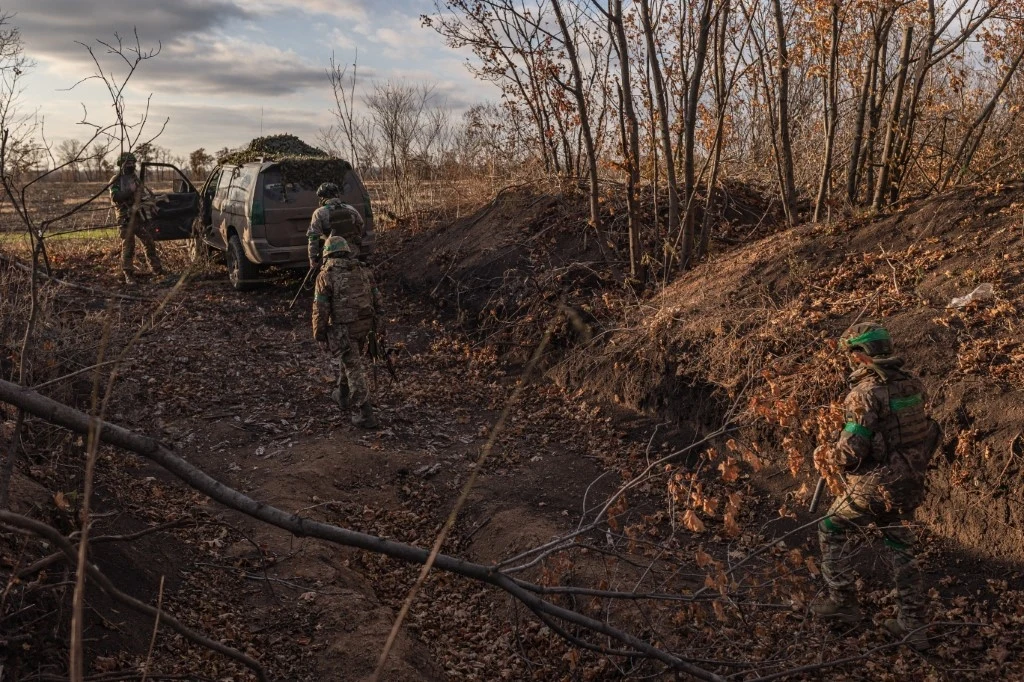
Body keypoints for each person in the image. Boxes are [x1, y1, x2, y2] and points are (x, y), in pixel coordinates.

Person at [811, 322, 942, 651]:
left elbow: (852, 451)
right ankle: (912, 626)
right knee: (901, 547)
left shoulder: (864, 394)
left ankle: (842, 601)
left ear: (861, 356)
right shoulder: (911, 384)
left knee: (831, 525)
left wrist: (827, 452)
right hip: (910, 481)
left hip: (875, 485)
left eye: (853, 354)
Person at [311, 235, 384, 429]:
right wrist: (379, 324)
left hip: (344, 328)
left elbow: (320, 308)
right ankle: (342, 395)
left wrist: (319, 333)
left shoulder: (326, 274)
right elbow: (377, 298)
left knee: (353, 367)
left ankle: (365, 413)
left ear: (327, 253)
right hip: (365, 325)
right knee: (350, 359)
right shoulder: (363, 270)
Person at [109, 151, 163, 284]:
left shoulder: (135, 178)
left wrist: (152, 205)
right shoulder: (116, 180)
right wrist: (129, 191)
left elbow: (144, 195)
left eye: (133, 162)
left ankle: (157, 270)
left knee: (149, 242)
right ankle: (128, 275)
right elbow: (115, 197)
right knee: (128, 247)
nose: (131, 165)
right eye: (128, 163)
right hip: (125, 219)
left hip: (139, 217)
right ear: (121, 164)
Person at [306, 182, 365, 271]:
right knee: (353, 274)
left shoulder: (319, 213)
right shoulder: (351, 209)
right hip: (351, 251)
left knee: (331, 277)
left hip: (331, 252)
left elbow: (313, 237)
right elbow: (360, 225)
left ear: (323, 197)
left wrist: (312, 258)